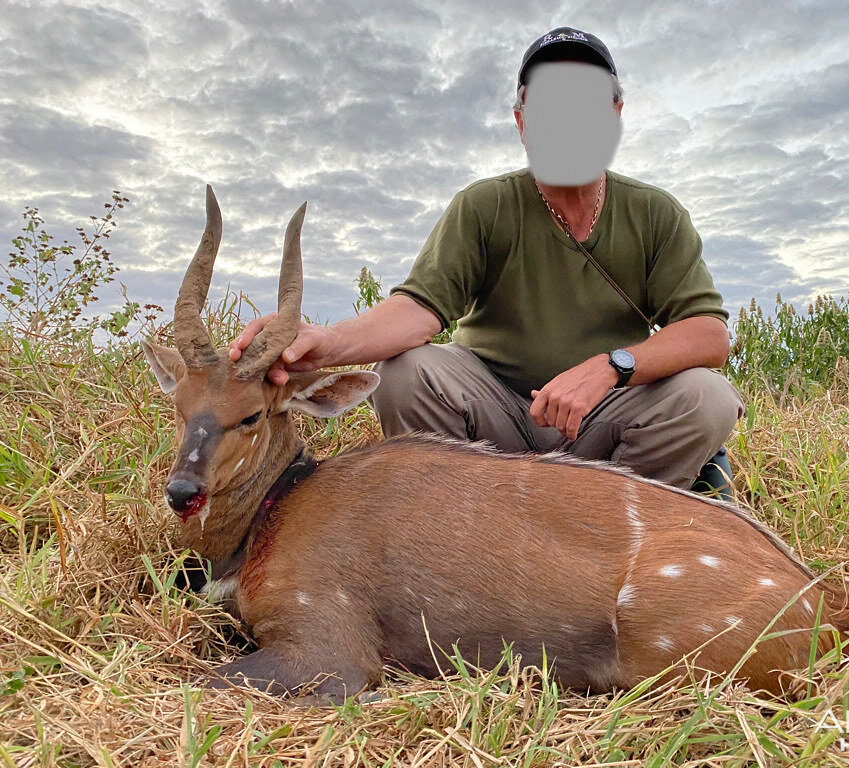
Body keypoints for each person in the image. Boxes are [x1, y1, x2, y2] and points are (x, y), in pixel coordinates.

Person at [230, 26, 745, 492]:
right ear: (522, 121)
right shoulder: (485, 205)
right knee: (407, 373)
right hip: (492, 426)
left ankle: (617, 524)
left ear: (614, 115)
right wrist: (325, 342)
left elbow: (707, 333)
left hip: (603, 420)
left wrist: (611, 367)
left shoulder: (655, 213)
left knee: (707, 397)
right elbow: (417, 311)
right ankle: (462, 526)